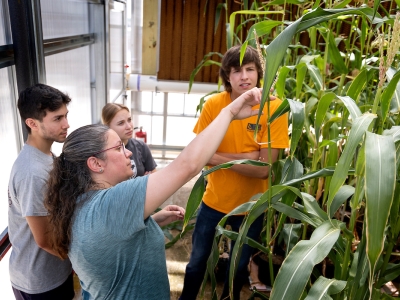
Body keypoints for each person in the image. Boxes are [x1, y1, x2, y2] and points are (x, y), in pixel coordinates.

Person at [44, 86, 264, 299]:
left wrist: (154, 220)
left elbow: (112, 244)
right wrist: (230, 111)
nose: (129, 152)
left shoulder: (79, 203)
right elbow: (187, 165)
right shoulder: (114, 203)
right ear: (95, 163)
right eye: (119, 147)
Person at [179, 45, 289, 300]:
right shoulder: (214, 105)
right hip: (213, 200)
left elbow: (264, 171)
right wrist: (249, 156)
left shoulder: (275, 109)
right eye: (237, 71)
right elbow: (198, 154)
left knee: (238, 267)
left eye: (250, 69)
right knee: (196, 262)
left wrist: (215, 156)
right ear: (227, 76)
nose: (244, 77)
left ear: (259, 73)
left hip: (252, 207)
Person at [7, 84, 74, 299]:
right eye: (57, 119)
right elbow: (45, 240)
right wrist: (85, 262)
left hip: (55, 272)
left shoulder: (47, 158)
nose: (66, 124)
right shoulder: (32, 173)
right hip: (39, 283)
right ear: (32, 123)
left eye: (65, 115)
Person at [102, 103, 156, 177]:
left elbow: (153, 174)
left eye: (129, 120)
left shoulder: (141, 146)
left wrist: (149, 178)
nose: (129, 126)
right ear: (107, 127)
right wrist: (142, 181)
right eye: (121, 123)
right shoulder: (102, 152)